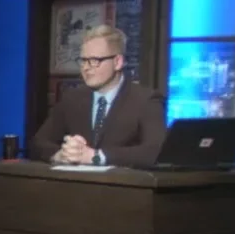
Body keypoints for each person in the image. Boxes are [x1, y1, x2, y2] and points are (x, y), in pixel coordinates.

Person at [31, 25, 167, 168]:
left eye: (95, 60)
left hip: (122, 181)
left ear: (117, 62)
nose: (86, 67)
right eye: (83, 60)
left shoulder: (145, 100)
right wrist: (60, 154)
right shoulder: (72, 99)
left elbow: (154, 151)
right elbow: (38, 143)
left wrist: (96, 156)